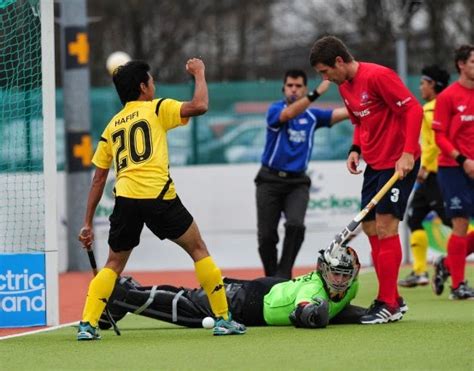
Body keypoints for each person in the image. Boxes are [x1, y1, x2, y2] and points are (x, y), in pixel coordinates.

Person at [76, 58, 246, 340]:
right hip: (159, 196)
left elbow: (98, 179)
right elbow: (200, 105)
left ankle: (87, 325)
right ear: (143, 87)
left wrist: (87, 222)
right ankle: (223, 319)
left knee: (113, 265)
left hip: (126, 200)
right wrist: (200, 73)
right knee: (198, 249)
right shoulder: (157, 108)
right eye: (151, 80)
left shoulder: (112, 126)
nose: (154, 84)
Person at [309, 36, 423, 324]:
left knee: (386, 227)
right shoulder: (345, 86)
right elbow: (359, 120)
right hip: (374, 164)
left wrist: (408, 152)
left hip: (399, 162)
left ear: (339, 61)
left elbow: (413, 110)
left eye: (325, 72)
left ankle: (388, 304)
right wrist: (355, 148)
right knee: (371, 227)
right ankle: (392, 297)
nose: (325, 78)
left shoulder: (378, 76)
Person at [98, 246, 367, 330]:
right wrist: (311, 315)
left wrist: (368, 314)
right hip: (248, 303)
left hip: (265, 290)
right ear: (323, 270)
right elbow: (306, 313)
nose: (340, 281)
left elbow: (339, 309)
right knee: (191, 309)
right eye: (335, 273)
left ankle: (129, 291)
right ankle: (123, 294)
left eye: (345, 276)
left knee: (194, 302)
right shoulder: (315, 290)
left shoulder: (349, 288)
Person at [255, 69, 349, 279]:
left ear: (304, 88)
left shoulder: (312, 116)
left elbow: (341, 113)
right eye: (290, 86)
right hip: (268, 180)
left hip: (297, 182)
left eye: (298, 86)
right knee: (267, 236)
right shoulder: (275, 110)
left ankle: (284, 273)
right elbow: (288, 114)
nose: (294, 90)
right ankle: (272, 278)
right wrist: (316, 94)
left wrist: (366, 105)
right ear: (284, 88)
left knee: (296, 225)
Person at [398, 65, 451, 288]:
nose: (420, 87)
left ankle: (449, 263)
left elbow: (434, 145)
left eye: (423, 83)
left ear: (433, 85)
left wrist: (425, 168)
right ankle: (420, 272)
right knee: (414, 217)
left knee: (453, 221)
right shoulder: (443, 106)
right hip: (433, 174)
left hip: (436, 174)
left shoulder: (430, 109)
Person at [432, 44, 474, 300]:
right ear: (461, 64)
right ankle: (458, 286)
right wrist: (463, 160)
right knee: (460, 223)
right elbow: (440, 137)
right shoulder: (448, 97)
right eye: (473, 61)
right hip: (453, 169)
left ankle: (447, 264)